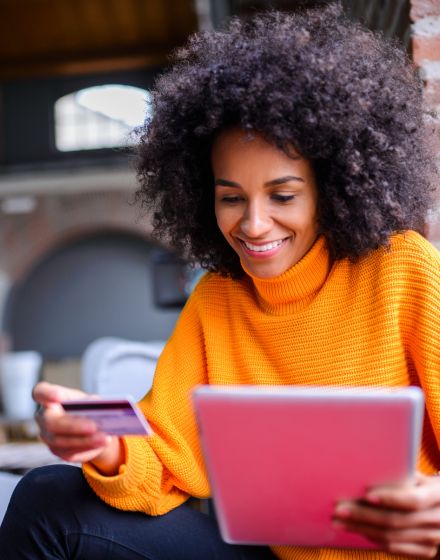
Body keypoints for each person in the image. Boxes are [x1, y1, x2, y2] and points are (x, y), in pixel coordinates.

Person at [1, 3, 439, 559]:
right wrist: (107, 447)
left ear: (331, 189)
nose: (253, 224)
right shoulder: (218, 298)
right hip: (267, 554)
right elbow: (165, 454)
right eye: (231, 197)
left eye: (282, 195)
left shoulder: (404, 270)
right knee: (45, 497)